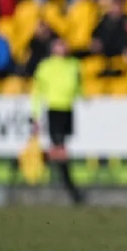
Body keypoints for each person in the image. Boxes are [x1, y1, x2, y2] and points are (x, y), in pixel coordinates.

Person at [30, 38, 84, 205]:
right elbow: (37, 92)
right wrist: (35, 114)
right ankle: (71, 188)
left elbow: (79, 87)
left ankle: (46, 160)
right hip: (54, 109)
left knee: (62, 148)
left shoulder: (74, 65)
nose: (63, 48)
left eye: (64, 45)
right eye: (59, 45)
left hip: (68, 109)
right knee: (61, 149)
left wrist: (84, 100)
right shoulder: (45, 67)